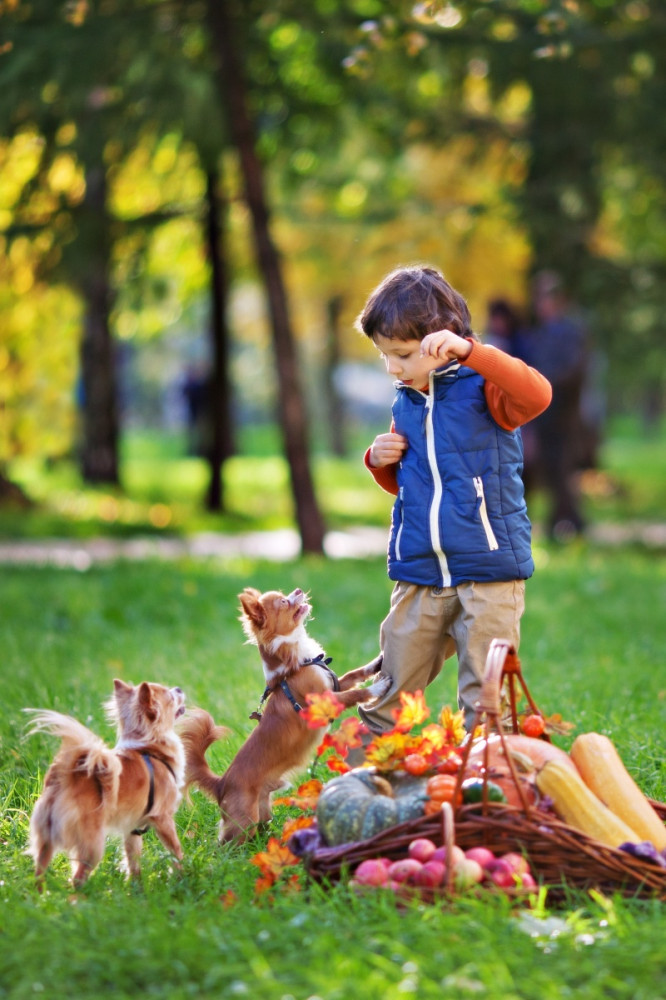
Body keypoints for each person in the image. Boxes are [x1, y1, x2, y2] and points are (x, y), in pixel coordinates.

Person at [356, 265, 552, 731]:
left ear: (437, 341)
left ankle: (484, 783)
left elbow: (538, 394)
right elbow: (410, 483)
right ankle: (371, 783)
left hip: (488, 570)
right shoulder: (406, 399)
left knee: (485, 698)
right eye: (385, 356)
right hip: (421, 570)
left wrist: (472, 352)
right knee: (391, 685)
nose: (392, 367)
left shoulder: (486, 388)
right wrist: (381, 460)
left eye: (401, 354)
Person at [522, 271, 589, 541]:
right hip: (542, 415)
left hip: (563, 413)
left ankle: (570, 523)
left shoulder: (570, 332)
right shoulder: (539, 334)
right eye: (539, 297)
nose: (542, 303)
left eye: (548, 297)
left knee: (561, 469)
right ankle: (561, 523)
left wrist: (542, 382)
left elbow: (574, 371)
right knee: (548, 470)